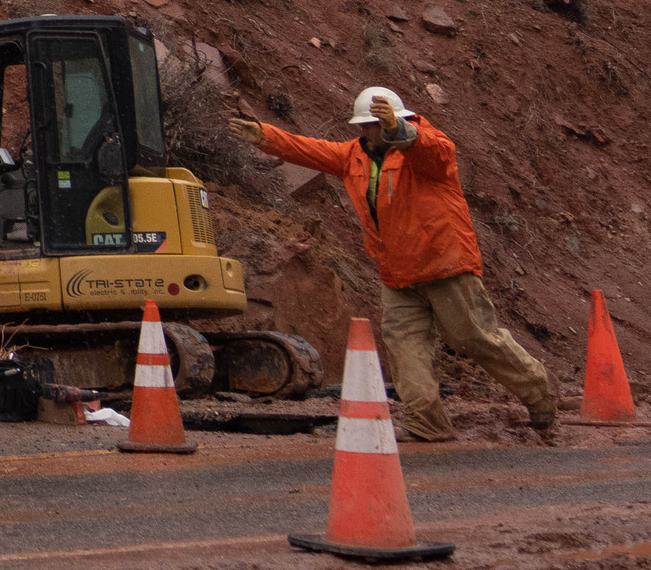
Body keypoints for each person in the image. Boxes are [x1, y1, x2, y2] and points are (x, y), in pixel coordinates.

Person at [238, 84, 558, 444]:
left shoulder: (426, 149)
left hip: (445, 266)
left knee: (473, 337)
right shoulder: (354, 156)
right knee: (405, 348)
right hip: (397, 275)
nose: (364, 132)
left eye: (370, 126)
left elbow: (434, 150)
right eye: (362, 126)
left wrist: (401, 132)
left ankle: (537, 390)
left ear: (395, 120)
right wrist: (265, 136)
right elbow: (310, 150)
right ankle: (427, 423)